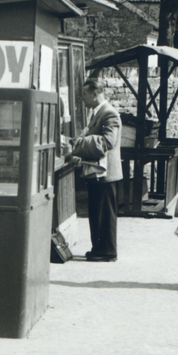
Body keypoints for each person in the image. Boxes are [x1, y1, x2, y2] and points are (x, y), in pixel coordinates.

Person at [69, 78, 122, 262]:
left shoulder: (109, 114)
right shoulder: (97, 113)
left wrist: (78, 143)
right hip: (97, 172)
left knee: (105, 213)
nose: (82, 99)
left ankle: (107, 251)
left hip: (105, 174)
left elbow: (107, 142)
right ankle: (98, 248)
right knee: (97, 212)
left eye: (84, 94)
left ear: (94, 93)